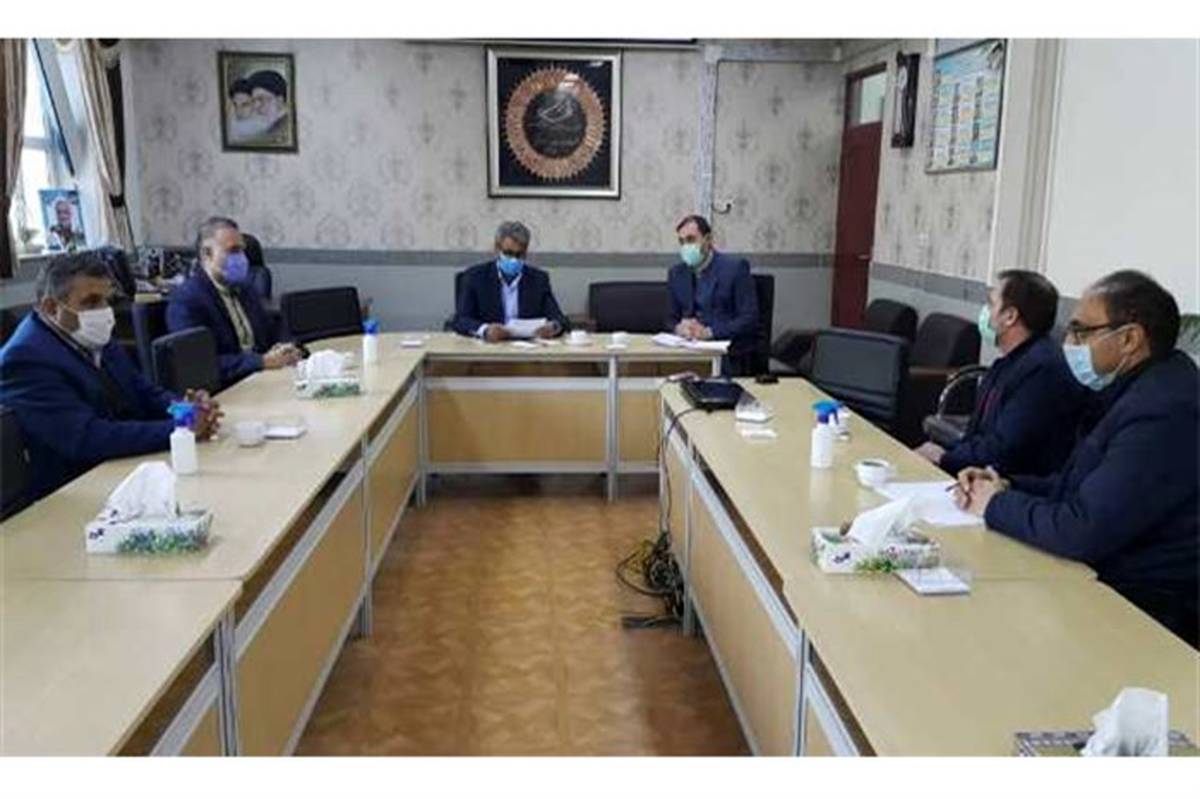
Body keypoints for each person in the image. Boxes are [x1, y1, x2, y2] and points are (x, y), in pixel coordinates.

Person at [954, 270, 1198, 647]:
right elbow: (1078, 485)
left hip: (1148, 614)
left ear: (1129, 339)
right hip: (1107, 580)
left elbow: (1081, 529)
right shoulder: (1135, 388)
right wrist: (1006, 485)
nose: (1068, 343)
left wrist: (994, 504)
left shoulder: (1163, 411)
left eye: (1081, 332)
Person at [0, 253, 222, 503]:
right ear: (52, 308)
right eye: (91, 302)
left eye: (107, 300)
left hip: (127, 468)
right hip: (77, 491)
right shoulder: (23, 360)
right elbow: (86, 437)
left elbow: (144, 392)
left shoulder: (88, 334)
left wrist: (187, 411)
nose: (104, 311)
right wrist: (180, 429)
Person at [916, 269, 1085, 476]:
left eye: (991, 303)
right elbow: (978, 435)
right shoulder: (1008, 363)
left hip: (1014, 485)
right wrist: (947, 452)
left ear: (1010, 316)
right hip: (981, 475)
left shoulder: (1043, 371)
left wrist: (944, 458)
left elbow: (1004, 449)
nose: (985, 311)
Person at [166, 216, 301, 388]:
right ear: (207, 254)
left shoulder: (246, 289)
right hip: (225, 389)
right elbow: (198, 363)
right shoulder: (187, 299)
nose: (242, 258)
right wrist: (260, 361)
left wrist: (287, 346)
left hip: (262, 380)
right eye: (233, 251)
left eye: (242, 251)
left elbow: (275, 326)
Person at [666, 214, 760, 375]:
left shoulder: (735, 269)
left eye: (691, 240)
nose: (686, 247)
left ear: (708, 240)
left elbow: (749, 319)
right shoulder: (677, 273)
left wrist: (709, 332)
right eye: (681, 242)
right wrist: (679, 328)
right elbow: (669, 318)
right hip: (686, 352)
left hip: (725, 354)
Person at [452, 221, 569, 341]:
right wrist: (485, 330)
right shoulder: (475, 277)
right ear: (497, 249)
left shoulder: (538, 280)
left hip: (526, 347)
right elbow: (461, 320)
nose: (513, 260)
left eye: (519, 255)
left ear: (525, 253)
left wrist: (553, 327)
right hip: (489, 346)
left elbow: (560, 319)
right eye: (508, 253)